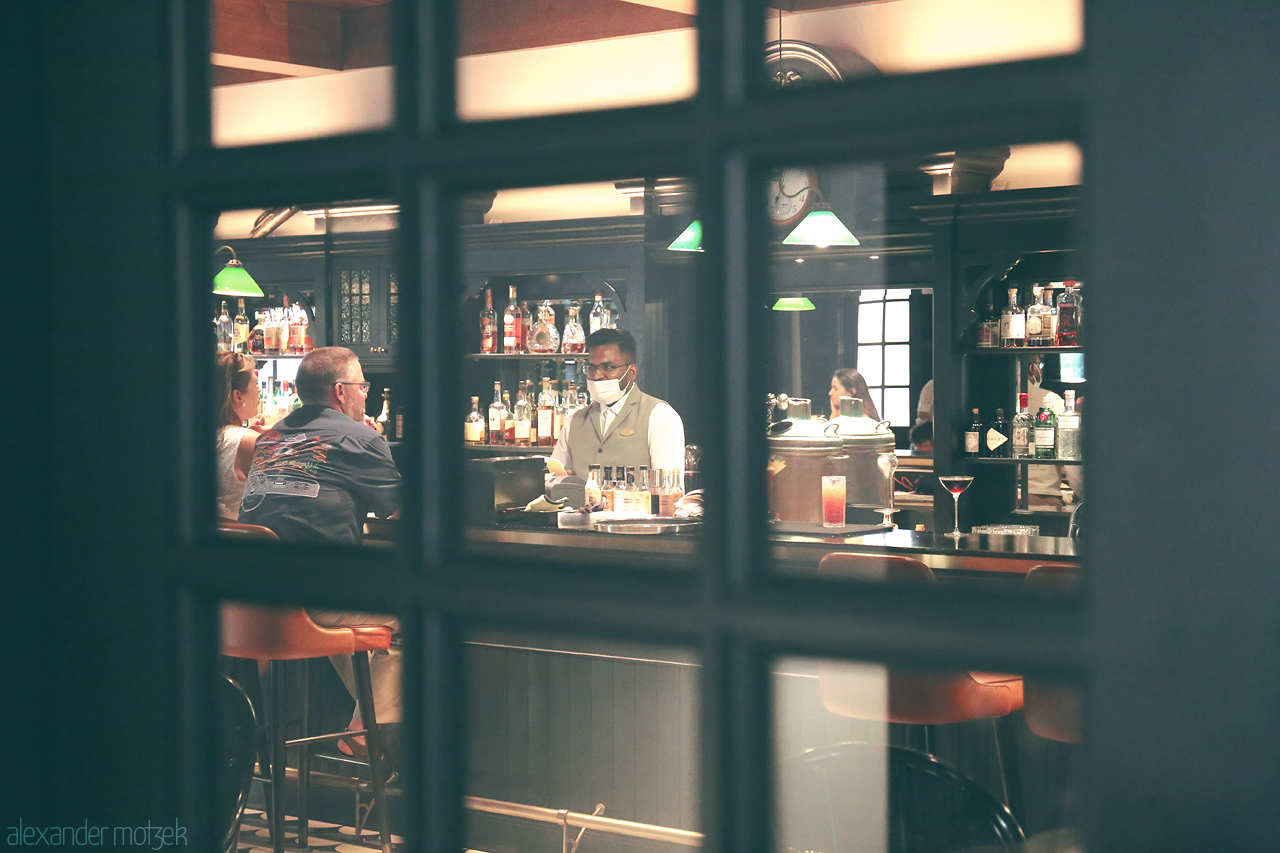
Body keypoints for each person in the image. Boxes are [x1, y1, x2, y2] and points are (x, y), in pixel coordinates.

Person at [238, 346, 402, 754]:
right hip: (315, 599)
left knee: (357, 618)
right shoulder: (359, 438)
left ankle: (368, 729)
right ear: (340, 391)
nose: (366, 394)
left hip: (249, 600)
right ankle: (364, 733)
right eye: (363, 386)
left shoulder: (269, 438)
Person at [552, 328, 685, 478]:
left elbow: (669, 487)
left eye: (608, 367)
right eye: (591, 368)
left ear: (631, 373)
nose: (596, 376)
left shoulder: (660, 416)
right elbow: (554, 477)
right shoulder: (574, 421)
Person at [215, 351, 264, 520]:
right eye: (255, 384)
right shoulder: (248, 441)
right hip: (242, 533)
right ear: (238, 396)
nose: (258, 390)